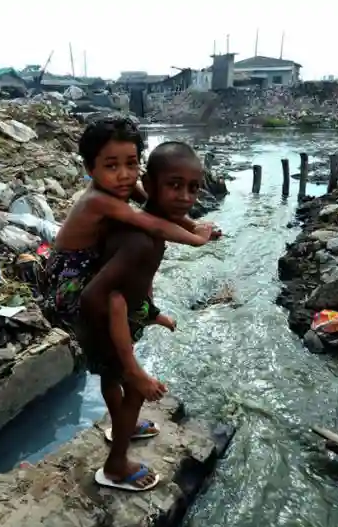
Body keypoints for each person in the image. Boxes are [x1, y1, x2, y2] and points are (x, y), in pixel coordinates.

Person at [79, 141, 205, 491]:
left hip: (109, 319)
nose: (184, 196)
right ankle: (116, 464)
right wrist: (134, 368)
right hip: (101, 317)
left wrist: (154, 314)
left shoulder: (149, 226)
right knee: (133, 389)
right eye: (174, 185)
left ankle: (124, 427)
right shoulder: (140, 241)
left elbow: (136, 286)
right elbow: (108, 297)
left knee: (111, 378)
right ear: (149, 186)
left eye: (193, 188)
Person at [44, 117, 214, 332]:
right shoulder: (97, 199)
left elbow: (153, 205)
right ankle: (122, 351)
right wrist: (196, 239)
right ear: (90, 168)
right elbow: (152, 223)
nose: (124, 175)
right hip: (67, 281)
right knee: (139, 245)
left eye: (131, 164)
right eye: (112, 166)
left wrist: (193, 225)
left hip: (91, 259)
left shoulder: (119, 185)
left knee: (145, 246)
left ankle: (149, 310)